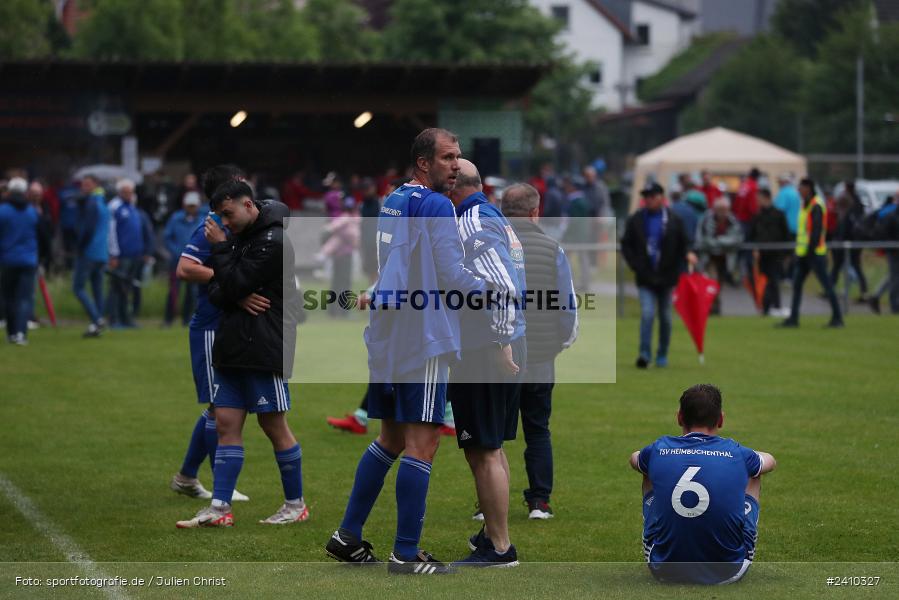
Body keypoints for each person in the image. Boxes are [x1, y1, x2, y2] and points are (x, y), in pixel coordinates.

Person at [325, 128, 486, 574]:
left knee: (390, 437)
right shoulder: (436, 205)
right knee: (424, 443)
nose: (456, 165)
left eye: (458, 157)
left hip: (389, 334)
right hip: (424, 334)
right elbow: (453, 275)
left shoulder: (393, 200)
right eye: (449, 158)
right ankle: (406, 552)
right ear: (423, 163)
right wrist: (496, 290)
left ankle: (347, 535)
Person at [175, 178, 305, 528]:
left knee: (273, 425)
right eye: (220, 217)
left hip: (263, 345)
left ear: (247, 204)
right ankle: (220, 509)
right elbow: (218, 290)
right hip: (231, 344)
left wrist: (224, 263)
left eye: (228, 214)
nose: (225, 223)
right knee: (226, 425)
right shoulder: (239, 238)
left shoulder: (273, 240)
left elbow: (227, 282)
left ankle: (295, 504)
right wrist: (236, 289)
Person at [446, 159, 526, 567]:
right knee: (489, 447)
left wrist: (499, 341)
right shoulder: (489, 214)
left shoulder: (471, 221)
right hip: (498, 342)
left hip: (487, 347)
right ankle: (493, 534)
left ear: (453, 184)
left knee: (483, 449)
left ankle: (500, 547)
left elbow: (503, 287)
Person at [629, 384, 777, 584]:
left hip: (664, 569)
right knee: (754, 474)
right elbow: (770, 461)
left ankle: (660, 545)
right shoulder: (737, 453)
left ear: (679, 417)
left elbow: (634, 458)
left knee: (646, 469)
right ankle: (740, 547)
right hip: (728, 572)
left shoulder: (659, 448)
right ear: (721, 419)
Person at [170, 165, 248, 504]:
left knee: (221, 406)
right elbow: (185, 268)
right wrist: (226, 279)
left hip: (231, 324)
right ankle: (221, 488)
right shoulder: (210, 227)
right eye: (241, 182)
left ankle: (186, 476)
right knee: (221, 407)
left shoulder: (237, 221)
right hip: (210, 326)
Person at [502, 183, 578, 520]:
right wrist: (560, 341)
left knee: (493, 436)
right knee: (538, 429)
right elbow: (567, 303)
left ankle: (487, 503)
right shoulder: (552, 248)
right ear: (536, 211)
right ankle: (540, 501)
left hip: (498, 353)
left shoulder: (491, 245)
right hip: (540, 353)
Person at [621, 183, 697, 368]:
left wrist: (688, 253)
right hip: (645, 276)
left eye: (652, 196)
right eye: (646, 196)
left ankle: (662, 354)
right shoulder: (636, 219)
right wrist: (635, 265)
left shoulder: (673, 220)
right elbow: (626, 244)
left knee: (665, 317)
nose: (648, 199)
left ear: (661, 197)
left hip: (667, 276)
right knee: (647, 314)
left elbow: (684, 243)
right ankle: (644, 354)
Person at [779, 178, 844, 328]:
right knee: (797, 285)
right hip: (804, 253)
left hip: (814, 254)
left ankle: (837, 317)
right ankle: (793, 318)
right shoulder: (806, 205)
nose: (799, 191)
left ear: (808, 188)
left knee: (827, 286)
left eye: (801, 188)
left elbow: (815, 231)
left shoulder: (816, 206)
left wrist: (809, 251)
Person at [0, 178, 38, 345]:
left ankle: (11, 333)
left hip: (8, 260)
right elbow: (42, 234)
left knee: (9, 297)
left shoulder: (3, 211)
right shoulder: (31, 211)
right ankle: (21, 333)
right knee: (24, 298)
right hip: (29, 260)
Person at [73, 174, 109, 338]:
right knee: (97, 290)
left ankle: (97, 319)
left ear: (96, 185)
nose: (84, 188)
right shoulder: (103, 202)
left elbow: (87, 229)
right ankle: (96, 326)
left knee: (78, 288)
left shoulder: (92, 203)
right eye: (83, 185)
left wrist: (79, 247)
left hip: (89, 252)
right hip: (102, 253)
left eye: (87, 184)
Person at [107, 179, 145, 328]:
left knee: (127, 290)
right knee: (116, 288)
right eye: (126, 192)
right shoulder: (114, 207)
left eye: (131, 192)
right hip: (121, 255)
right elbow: (111, 233)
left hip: (134, 254)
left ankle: (126, 319)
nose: (129, 194)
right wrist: (113, 253)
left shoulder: (132, 206)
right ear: (120, 192)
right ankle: (114, 319)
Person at [163, 192, 205, 326]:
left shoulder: (202, 219)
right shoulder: (176, 218)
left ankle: (187, 318)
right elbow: (167, 237)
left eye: (194, 206)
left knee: (192, 291)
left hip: (195, 261)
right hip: (176, 259)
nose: (192, 208)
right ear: (184, 206)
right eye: (189, 206)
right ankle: (168, 319)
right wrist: (176, 252)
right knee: (173, 290)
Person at [695, 196, 743, 314]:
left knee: (719, 283)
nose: (722, 212)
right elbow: (704, 240)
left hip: (725, 258)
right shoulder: (706, 220)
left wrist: (719, 241)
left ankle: (715, 306)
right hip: (709, 258)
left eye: (725, 209)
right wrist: (722, 243)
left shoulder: (733, 221)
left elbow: (737, 239)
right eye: (720, 209)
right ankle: (713, 307)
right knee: (713, 281)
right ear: (715, 209)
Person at [748, 189, 791, 316]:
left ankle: (776, 306)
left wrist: (786, 254)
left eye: (759, 198)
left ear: (766, 198)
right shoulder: (757, 216)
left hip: (775, 254)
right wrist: (754, 248)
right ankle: (765, 307)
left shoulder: (779, 215)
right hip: (762, 255)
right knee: (763, 281)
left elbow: (785, 234)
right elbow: (752, 235)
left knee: (774, 280)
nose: (757, 201)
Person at [829, 181, 868, 301]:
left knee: (842, 265)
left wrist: (839, 238)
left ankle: (830, 290)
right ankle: (863, 291)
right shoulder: (858, 202)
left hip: (848, 240)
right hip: (854, 240)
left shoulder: (851, 204)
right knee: (844, 266)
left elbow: (846, 225)